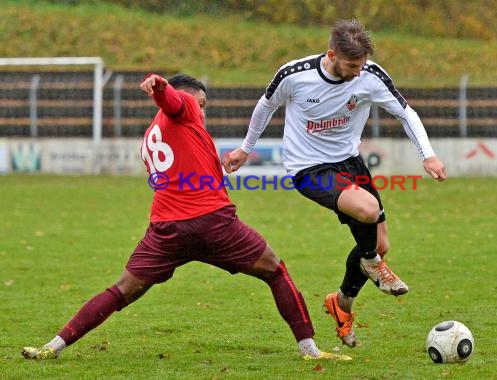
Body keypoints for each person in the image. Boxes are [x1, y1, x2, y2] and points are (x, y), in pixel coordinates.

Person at [22, 73, 351, 361]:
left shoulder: (151, 136)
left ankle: (54, 345)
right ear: (188, 98)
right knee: (276, 270)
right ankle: (310, 350)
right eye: (202, 103)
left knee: (121, 291)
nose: (202, 111)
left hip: (166, 230)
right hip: (213, 222)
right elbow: (174, 100)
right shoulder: (183, 107)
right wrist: (160, 85)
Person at [223, 19, 446, 348]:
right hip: (308, 168)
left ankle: (342, 303)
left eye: (362, 65)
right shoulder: (295, 75)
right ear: (331, 54)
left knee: (381, 243)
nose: (358, 72)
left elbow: (405, 112)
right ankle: (373, 264)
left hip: (350, 162)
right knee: (368, 211)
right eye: (352, 65)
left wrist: (427, 155)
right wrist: (246, 148)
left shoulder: (370, 75)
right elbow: (266, 105)